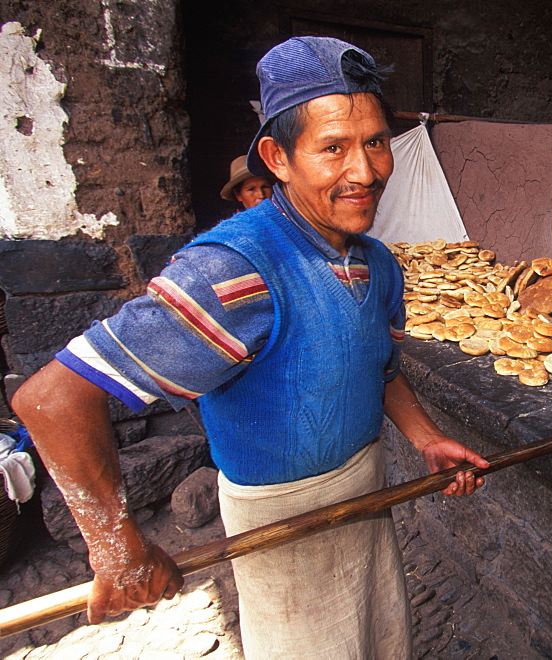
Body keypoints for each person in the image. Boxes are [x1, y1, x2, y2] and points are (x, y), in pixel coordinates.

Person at [12, 36, 489, 658]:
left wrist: (426, 437)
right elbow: (49, 399)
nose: (366, 171)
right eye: (333, 148)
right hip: (282, 527)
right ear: (277, 157)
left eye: (375, 142)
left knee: (380, 641)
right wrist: (117, 547)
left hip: (367, 497)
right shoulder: (234, 272)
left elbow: (378, 362)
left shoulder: (376, 263)